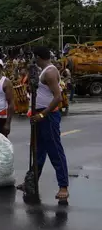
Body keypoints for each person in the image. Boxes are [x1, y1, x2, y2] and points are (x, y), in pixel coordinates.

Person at [29, 46, 69, 201]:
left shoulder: (50, 72)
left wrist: (41, 114)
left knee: (55, 151)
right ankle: (32, 182)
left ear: (38, 57)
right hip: (40, 116)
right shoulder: (44, 72)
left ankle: (63, 186)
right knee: (38, 151)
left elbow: (58, 97)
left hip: (48, 117)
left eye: (34, 58)